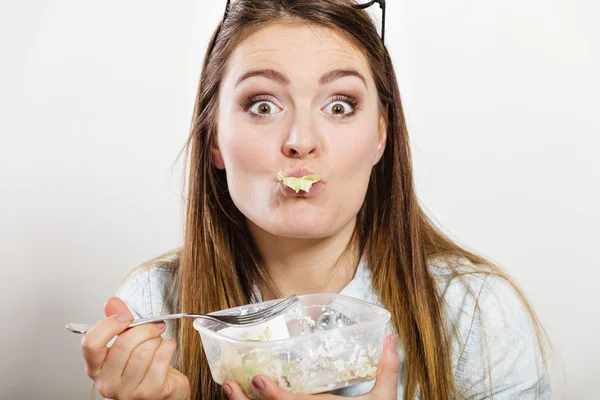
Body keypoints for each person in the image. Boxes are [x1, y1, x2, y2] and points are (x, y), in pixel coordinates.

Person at [79, 1, 550, 399]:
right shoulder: (152, 314)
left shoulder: (477, 314)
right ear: (215, 140)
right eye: (263, 105)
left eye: (339, 105)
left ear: (381, 136)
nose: (301, 141)